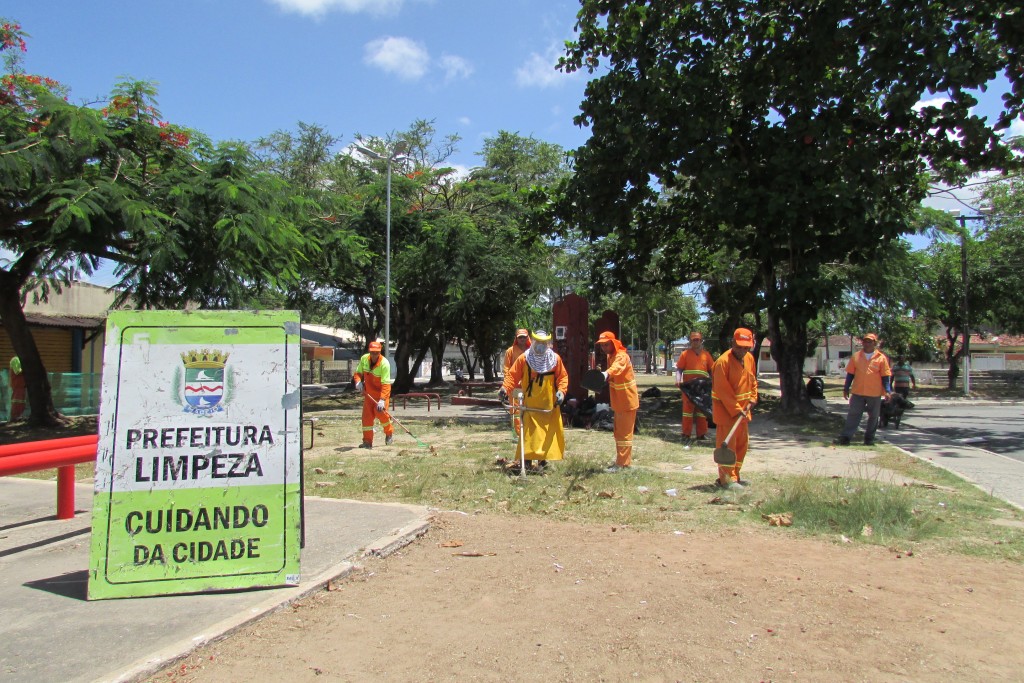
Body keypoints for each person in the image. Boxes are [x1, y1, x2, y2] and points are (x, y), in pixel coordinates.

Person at [499, 330, 568, 472]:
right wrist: (504, 389)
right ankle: (528, 462)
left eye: (544, 343)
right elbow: (512, 375)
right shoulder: (524, 358)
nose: (541, 346)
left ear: (548, 344)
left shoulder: (555, 359)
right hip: (530, 404)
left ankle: (543, 462)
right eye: (538, 343)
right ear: (534, 342)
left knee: (545, 434)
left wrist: (561, 392)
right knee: (529, 434)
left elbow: (563, 377)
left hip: (548, 404)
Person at [711, 328, 759, 490]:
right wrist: (737, 409)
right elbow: (722, 390)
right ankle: (726, 479)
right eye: (740, 347)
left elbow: (752, 380)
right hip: (727, 413)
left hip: (743, 413)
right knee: (727, 447)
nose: (743, 351)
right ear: (733, 343)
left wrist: (753, 397)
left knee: (741, 446)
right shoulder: (722, 363)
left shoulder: (749, 359)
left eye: (746, 348)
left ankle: (735, 475)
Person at [835, 333, 892, 447]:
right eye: (865, 341)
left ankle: (869, 439)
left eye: (869, 341)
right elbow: (850, 374)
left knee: (873, 416)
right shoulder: (856, 356)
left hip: (874, 392)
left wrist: (888, 391)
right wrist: (846, 388)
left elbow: (885, 376)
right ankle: (846, 437)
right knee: (853, 414)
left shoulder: (881, 358)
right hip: (858, 392)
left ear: (874, 343)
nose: (866, 343)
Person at [595, 330, 639, 473]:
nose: (604, 348)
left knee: (624, 434)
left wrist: (606, 374)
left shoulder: (621, 356)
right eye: (602, 346)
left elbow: (616, 369)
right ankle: (621, 462)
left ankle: (622, 464)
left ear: (613, 343)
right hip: (619, 402)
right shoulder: (611, 356)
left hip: (627, 401)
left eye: (606, 345)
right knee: (619, 433)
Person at [352, 341, 394, 449]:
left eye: (376, 352)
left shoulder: (384, 364)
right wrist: (358, 382)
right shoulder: (364, 359)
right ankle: (367, 442)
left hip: (381, 396)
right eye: (372, 352)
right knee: (366, 418)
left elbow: (386, 384)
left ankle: (389, 433)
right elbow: (358, 373)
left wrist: (382, 400)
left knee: (381, 415)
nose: (374, 355)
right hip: (369, 395)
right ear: (369, 352)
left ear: (380, 352)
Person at [674, 331, 715, 441]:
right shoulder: (685, 354)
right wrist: (678, 380)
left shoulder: (706, 355)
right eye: (693, 340)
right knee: (687, 412)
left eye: (697, 340)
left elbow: (712, 370)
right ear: (690, 341)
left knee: (702, 412)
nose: (695, 342)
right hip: (689, 389)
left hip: (702, 389)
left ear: (701, 341)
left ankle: (701, 434)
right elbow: (679, 369)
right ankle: (686, 434)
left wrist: (714, 382)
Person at [502, 328, 531, 434]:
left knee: (530, 408)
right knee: (516, 409)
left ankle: (529, 432)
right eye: (520, 337)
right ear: (516, 338)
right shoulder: (510, 351)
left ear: (527, 337)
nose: (522, 339)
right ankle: (518, 433)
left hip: (529, 385)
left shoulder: (532, 350)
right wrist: (508, 384)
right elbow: (506, 368)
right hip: (514, 386)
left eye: (524, 337)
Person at [8, 355, 25, 421]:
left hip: (22, 385)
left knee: (21, 402)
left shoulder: (21, 360)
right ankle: (15, 417)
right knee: (17, 401)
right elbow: (17, 371)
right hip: (17, 385)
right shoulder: (16, 359)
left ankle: (19, 416)